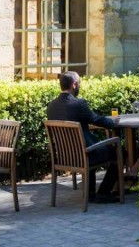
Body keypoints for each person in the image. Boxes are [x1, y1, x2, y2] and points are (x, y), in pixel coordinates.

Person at [47, 71, 122, 203]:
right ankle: (104, 193)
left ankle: (91, 193)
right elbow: (97, 119)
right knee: (120, 151)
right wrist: (112, 122)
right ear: (74, 85)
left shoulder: (51, 106)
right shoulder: (78, 104)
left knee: (90, 146)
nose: (80, 86)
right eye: (79, 83)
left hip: (65, 157)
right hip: (85, 155)